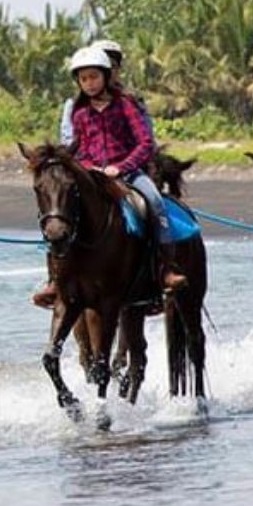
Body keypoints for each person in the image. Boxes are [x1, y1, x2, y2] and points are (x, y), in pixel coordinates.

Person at [32, 45, 186, 309]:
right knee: (59, 211)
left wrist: (122, 167)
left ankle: (166, 268)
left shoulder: (125, 105)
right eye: (84, 79)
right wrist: (90, 167)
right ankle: (56, 279)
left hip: (129, 173)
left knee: (154, 202)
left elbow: (144, 143)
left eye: (94, 77)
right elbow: (78, 149)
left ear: (105, 76)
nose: (89, 83)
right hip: (93, 176)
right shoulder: (79, 112)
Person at [60, 37, 152, 145]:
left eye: (112, 66)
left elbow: (147, 139)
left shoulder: (131, 102)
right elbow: (70, 142)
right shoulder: (74, 106)